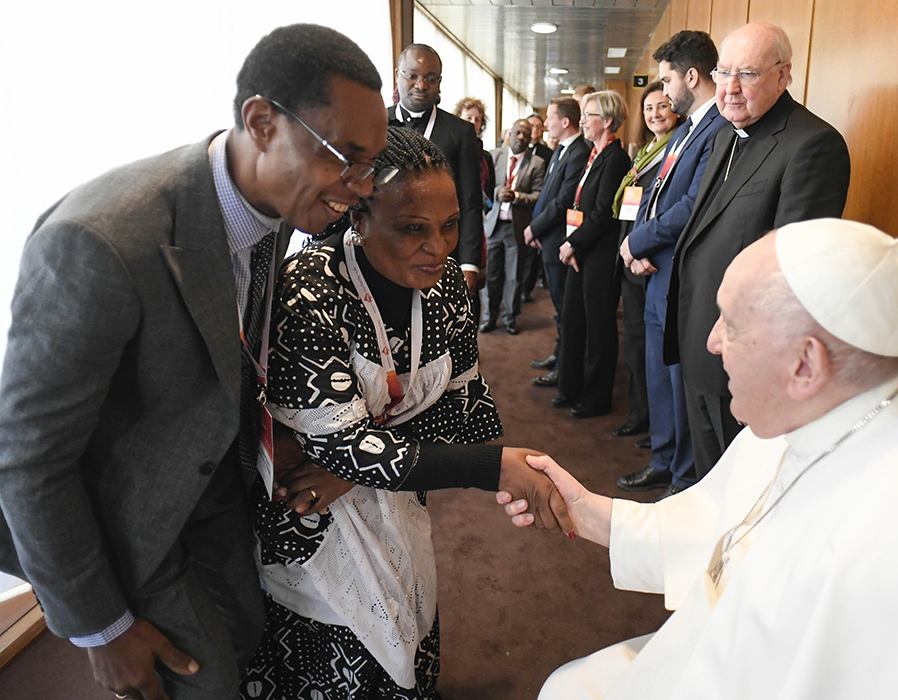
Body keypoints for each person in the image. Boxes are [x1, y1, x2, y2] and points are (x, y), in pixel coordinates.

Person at [0, 24, 389, 700]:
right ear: (262, 122)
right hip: (126, 531)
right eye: (342, 157)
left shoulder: (267, 212)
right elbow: (27, 456)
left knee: (245, 648)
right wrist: (102, 628)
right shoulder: (101, 243)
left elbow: (224, 363)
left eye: (370, 165)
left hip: (213, 500)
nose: (358, 187)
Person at [505, 218, 898, 700]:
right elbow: (727, 533)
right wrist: (586, 511)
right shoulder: (828, 404)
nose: (712, 341)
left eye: (733, 325)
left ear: (804, 364)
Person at [240, 128, 571, 700]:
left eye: (450, 225)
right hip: (310, 519)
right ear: (359, 219)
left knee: (410, 632)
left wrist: (355, 464)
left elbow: (473, 412)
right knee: (340, 661)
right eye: (413, 229)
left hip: (391, 497)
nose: (440, 248)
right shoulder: (309, 295)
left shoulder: (443, 290)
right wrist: (484, 466)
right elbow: (348, 446)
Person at [664, 21, 851, 479]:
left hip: (744, 354)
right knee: (710, 479)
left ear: (783, 75)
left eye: (746, 74)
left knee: (743, 485)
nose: (728, 88)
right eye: (723, 72)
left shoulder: (813, 145)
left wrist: (733, 333)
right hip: (697, 335)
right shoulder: (726, 132)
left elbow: (791, 271)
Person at [616, 30, 727, 495]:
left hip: (680, 275)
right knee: (659, 378)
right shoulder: (684, 131)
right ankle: (663, 459)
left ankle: (682, 478)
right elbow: (654, 195)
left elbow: (691, 207)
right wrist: (637, 246)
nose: (662, 91)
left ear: (692, 76)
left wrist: (638, 243)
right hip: (654, 272)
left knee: (680, 386)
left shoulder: (719, 128)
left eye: (667, 80)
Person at [553, 91, 632, 419]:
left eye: (589, 115)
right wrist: (574, 244)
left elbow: (603, 214)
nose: (582, 120)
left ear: (608, 121)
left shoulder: (616, 158)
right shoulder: (594, 154)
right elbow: (579, 205)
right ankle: (570, 387)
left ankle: (596, 397)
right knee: (572, 321)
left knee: (598, 328)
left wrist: (574, 244)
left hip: (598, 254)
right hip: (582, 249)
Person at [609, 79, 678, 441]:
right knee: (635, 343)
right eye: (649, 108)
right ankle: (639, 413)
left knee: (653, 350)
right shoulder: (645, 152)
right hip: (630, 256)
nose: (654, 114)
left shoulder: (677, 151)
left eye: (662, 107)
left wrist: (642, 249)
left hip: (652, 261)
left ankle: (653, 420)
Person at [389, 44, 484, 295]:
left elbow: (470, 202)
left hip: (441, 251)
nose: (421, 85)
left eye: (430, 79)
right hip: (386, 249)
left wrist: (470, 263)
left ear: (439, 82)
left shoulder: (460, 132)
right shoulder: (377, 122)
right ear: (397, 74)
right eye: (412, 76)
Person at [524, 97, 591, 388]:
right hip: (548, 239)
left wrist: (535, 227)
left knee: (566, 309)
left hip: (560, 241)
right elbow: (548, 195)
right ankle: (559, 353)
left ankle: (565, 368)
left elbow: (564, 200)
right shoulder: (562, 149)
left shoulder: (578, 152)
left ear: (565, 122)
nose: (546, 122)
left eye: (550, 117)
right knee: (559, 308)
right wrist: (538, 230)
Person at [481, 119, 546, 335]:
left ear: (531, 138)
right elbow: (482, 188)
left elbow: (538, 196)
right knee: (491, 275)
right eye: (518, 132)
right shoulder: (494, 155)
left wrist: (517, 196)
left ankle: (510, 318)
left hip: (516, 228)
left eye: (526, 135)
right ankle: (489, 317)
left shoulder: (536, 163)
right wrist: (498, 192)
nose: (521, 138)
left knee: (514, 277)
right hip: (493, 225)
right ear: (510, 132)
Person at [520, 112, 553, 303]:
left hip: (538, 206)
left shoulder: (547, 153)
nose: (534, 130)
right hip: (518, 209)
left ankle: (527, 287)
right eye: (531, 125)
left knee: (532, 252)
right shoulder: (513, 149)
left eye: (538, 126)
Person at [454, 96, 496, 213]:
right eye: (468, 118)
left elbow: (490, 190)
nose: (473, 122)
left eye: (478, 119)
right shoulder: (450, 148)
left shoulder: (486, 157)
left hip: (477, 213)